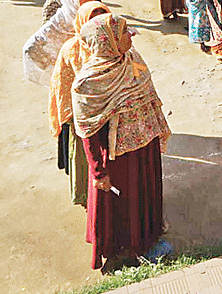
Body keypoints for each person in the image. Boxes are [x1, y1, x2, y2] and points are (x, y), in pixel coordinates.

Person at [72, 14, 172, 271]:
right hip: (118, 158)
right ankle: (126, 250)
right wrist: (98, 171)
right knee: (124, 203)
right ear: (108, 41)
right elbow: (87, 130)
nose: (132, 35)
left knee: (144, 193)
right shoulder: (88, 82)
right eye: (125, 31)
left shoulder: (132, 59)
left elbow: (148, 92)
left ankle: (146, 241)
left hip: (144, 146)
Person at [49, 0, 111, 207]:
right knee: (88, 162)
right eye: (93, 20)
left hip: (113, 117)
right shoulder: (72, 49)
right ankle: (89, 201)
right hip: (84, 120)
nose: (98, 24)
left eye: (103, 19)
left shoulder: (115, 44)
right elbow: (61, 85)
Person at [23, 0, 96, 86]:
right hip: (66, 81)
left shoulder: (95, 14)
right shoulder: (60, 22)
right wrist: (53, 67)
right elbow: (30, 48)